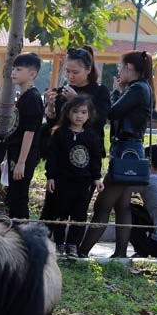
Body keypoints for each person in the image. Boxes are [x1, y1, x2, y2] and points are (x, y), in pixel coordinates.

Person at [79, 50, 154, 258]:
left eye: (121, 67)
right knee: (122, 206)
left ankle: (82, 252)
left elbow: (111, 113)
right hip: (132, 150)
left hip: (125, 151)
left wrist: (114, 91)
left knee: (102, 205)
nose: (119, 71)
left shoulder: (137, 89)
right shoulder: (143, 87)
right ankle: (120, 253)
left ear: (130, 68)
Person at [40, 46, 110, 223]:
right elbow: (55, 125)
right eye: (68, 71)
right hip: (62, 157)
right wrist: (49, 108)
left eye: (75, 72)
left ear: (88, 69)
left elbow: (100, 120)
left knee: (79, 207)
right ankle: (50, 242)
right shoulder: (62, 90)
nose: (70, 76)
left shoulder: (100, 91)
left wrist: (76, 99)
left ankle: (73, 245)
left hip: (86, 158)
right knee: (54, 206)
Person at [45, 96, 104, 257]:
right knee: (60, 212)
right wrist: (51, 177)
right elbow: (53, 157)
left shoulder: (92, 136)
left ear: (89, 115)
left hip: (83, 183)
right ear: (68, 113)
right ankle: (59, 243)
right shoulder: (60, 134)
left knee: (79, 215)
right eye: (75, 111)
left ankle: (73, 245)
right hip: (63, 181)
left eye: (83, 112)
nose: (79, 116)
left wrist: (97, 178)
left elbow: (95, 158)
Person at [2, 52, 44, 220]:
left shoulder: (33, 98)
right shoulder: (24, 97)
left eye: (18, 69)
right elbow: (15, 130)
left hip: (24, 156)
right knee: (13, 197)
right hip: (15, 154)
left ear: (32, 74)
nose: (13, 72)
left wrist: (21, 162)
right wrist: (7, 158)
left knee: (19, 198)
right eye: (13, 69)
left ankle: (24, 239)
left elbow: (29, 133)